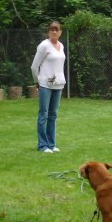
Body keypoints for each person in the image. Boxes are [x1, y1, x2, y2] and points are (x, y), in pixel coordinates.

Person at [30, 20, 66, 153]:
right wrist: (37, 81)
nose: (54, 31)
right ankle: (42, 145)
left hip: (58, 84)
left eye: (57, 29)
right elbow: (34, 66)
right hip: (45, 84)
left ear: (61, 32)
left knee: (53, 114)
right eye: (52, 29)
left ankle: (51, 144)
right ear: (48, 31)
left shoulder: (61, 46)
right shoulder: (44, 46)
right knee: (43, 114)